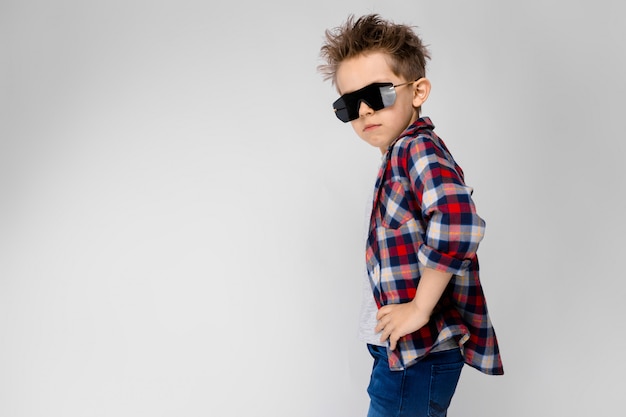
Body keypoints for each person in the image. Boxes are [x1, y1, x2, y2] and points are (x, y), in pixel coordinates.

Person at [318, 14, 504, 417]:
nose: (365, 110)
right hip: (402, 354)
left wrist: (419, 309)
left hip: (418, 355)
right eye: (350, 103)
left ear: (418, 91)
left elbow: (458, 221)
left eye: (378, 94)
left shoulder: (415, 150)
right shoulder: (400, 155)